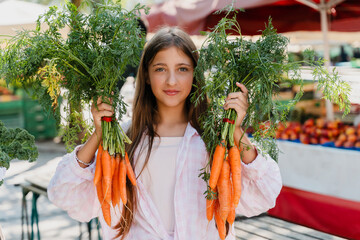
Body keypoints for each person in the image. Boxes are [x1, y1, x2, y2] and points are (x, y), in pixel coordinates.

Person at [48, 27, 282, 240]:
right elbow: (65, 196)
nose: (172, 80)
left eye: (182, 69)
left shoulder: (214, 139)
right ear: (147, 76)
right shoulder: (125, 138)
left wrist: (237, 130)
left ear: (195, 75)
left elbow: (264, 195)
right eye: (160, 69)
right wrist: (97, 134)